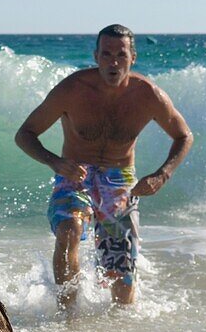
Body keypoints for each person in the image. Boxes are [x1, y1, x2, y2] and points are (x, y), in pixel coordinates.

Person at [15, 24, 193, 308]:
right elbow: (24, 134)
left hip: (119, 178)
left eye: (120, 55)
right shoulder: (72, 90)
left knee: (121, 275)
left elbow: (184, 135)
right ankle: (67, 315)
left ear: (132, 58)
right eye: (106, 54)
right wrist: (56, 163)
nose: (113, 62)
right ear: (95, 56)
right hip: (75, 173)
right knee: (69, 229)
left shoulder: (148, 95)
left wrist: (162, 175)